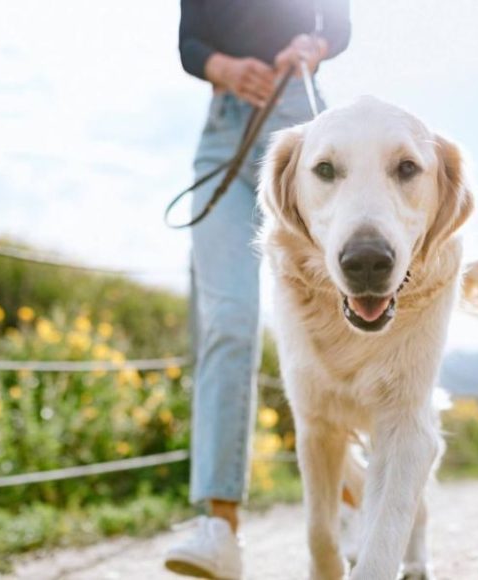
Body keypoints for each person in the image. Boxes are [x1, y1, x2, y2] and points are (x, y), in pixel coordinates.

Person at [165, 1, 351, 578]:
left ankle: (356, 476)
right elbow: (191, 42)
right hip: (223, 134)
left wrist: (312, 50)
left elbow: (337, 24)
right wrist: (222, 67)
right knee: (229, 319)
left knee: (330, 309)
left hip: (299, 121)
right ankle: (220, 527)